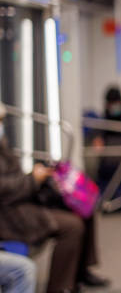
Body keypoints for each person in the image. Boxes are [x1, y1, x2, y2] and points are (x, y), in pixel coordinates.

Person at [0, 102, 109, 292]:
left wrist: (37, 176)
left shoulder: (2, 144)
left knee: (84, 207)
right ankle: (59, 287)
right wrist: (33, 179)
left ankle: (80, 274)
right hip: (11, 215)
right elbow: (5, 189)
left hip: (23, 202)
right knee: (72, 227)